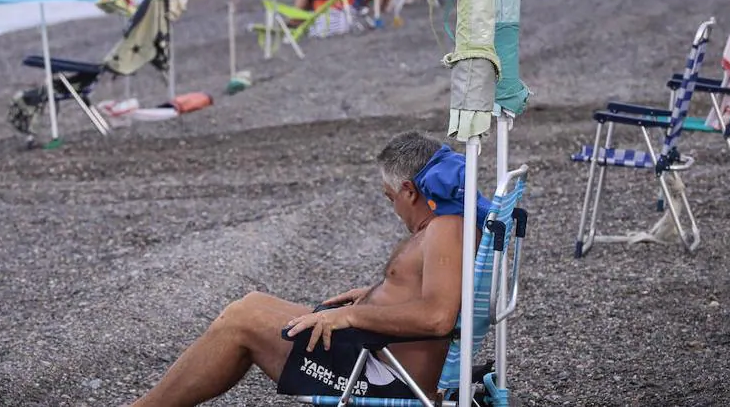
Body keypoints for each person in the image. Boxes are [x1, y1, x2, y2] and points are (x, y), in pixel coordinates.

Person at [127, 132, 475, 407]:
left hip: (382, 374)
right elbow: (430, 291)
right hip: (377, 352)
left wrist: (350, 318)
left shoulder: (446, 229)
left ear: (409, 191)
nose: (394, 209)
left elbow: (437, 317)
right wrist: (371, 295)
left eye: (390, 198)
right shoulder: (450, 224)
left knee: (241, 321)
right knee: (251, 304)